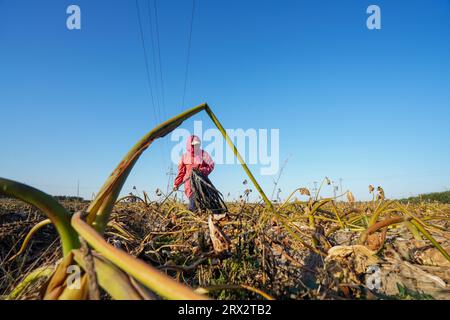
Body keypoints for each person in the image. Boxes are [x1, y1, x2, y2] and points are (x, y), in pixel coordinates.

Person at [173, 135, 214, 211]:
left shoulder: (203, 154)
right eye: (194, 145)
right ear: (190, 145)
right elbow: (181, 172)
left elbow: (211, 165)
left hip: (202, 180)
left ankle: (207, 213)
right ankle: (193, 213)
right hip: (189, 182)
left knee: (206, 199)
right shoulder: (184, 157)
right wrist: (176, 183)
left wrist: (202, 170)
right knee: (193, 200)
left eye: (198, 144)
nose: (196, 146)